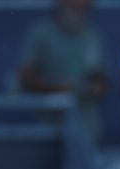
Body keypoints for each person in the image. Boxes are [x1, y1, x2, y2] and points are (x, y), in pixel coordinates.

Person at [16, 0, 108, 140]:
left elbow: (99, 75)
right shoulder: (41, 33)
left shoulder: (92, 36)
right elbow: (26, 78)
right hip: (48, 127)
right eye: (74, 6)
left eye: (84, 8)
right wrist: (58, 90)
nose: (79, 11)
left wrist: (97, 87)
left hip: (86, 130)